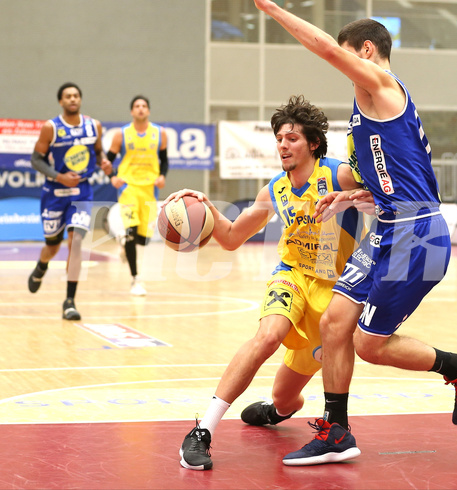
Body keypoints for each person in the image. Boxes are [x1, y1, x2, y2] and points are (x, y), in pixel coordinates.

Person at [254, 0, 457, 467]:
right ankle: (337, 432)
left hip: (417, 235)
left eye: (348, 57)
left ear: (366, 50)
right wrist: (350, 197)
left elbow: (323, 48)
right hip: (389, 227)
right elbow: (395, 182)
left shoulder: (381, 85)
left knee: (369, 344)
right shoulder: (370, 106)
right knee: (334, 323)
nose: (344, 68)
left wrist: (271, 8)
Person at [175, 95, 372, 471]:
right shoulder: (274, 191)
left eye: (292, 138)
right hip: (292, 275)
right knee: (268, 336)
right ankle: (202, 431)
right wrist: (207, 207)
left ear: (313, 143)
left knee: (285, 399)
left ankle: (276, 411)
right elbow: (231, 237)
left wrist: (353, 199)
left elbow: (385, 201)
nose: (283, 144)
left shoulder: (339, 174)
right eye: (280, 138)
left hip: (334, 293)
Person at [27, 82, 111, 320]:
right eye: (68, 96)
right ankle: (42, 265)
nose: (73, 99)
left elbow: (97, 153)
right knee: (52, 247)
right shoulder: (50, 128)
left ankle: (69, 301)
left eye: (76, 95)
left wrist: (103, 161)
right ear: (61, 102)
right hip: (54, 193)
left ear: (80, 100)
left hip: (81, 193)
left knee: (75, 243)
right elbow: (36, 160)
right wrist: (59, 176)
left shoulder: (94, 126)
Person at [106, 95, 168, 296]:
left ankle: (124, 243)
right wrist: (112, 177)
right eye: (137, 106)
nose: (140, 109)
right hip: (128, 189)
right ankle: (135, 279)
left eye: (144, 106)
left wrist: (162, 176)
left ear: (148, 111)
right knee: (131, 232)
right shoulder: (121, 134)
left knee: (143, 240)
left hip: (150, 190)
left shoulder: (159, 133)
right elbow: (107, 160)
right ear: (132, 111)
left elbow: (164, 160)